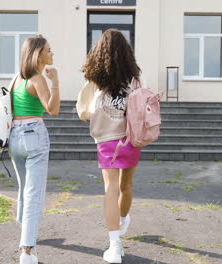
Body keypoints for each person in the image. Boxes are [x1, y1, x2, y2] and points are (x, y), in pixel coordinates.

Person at [79, 29, 142, 264]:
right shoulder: (135, 79)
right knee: (126, 186)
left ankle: (115, 246)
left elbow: (83, 112)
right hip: (131, 138)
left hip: (106, 140)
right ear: (126, 52)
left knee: (110, 189)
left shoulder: (94, 79)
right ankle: (123, 218)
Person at [8, 34, 60, 264]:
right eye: (49, 50)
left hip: (14, 138)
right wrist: (56, 81)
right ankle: (27, 251)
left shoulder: (16, 78)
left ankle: (25, 229)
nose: (52, 53)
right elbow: (53, 109)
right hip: (34, 135)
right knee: (33, 193)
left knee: (24, 187)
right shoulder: (37, 79)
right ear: (38, 54)